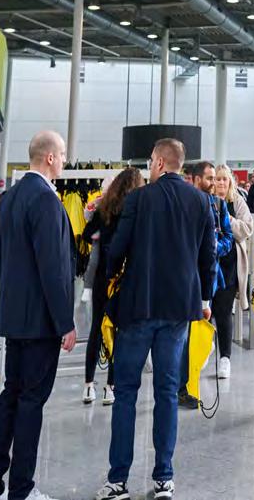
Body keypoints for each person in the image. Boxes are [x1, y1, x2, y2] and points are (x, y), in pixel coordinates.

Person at [94, 138, 216, 500]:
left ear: (160, 163)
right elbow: (207, 256)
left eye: (150, 160)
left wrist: (110, 280)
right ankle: (164, 477)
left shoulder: (138, 199)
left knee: (126, 393)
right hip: (179, 310)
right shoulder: (201, 201)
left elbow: (117, 250)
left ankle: (118, 481)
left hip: (139, 306)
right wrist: (204, 299)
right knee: (166, 391)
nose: (149, 166)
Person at [0, 134, 75, 500]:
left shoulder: (10, 198)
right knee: (31, 403)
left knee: (11, 396)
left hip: (15, 317)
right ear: (49, 158)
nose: (65, 160)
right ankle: (21, 489)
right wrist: (64, 322)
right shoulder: (46, 201)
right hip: (40, 323)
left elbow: (3, 255)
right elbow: (54, 268)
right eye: (62, 154)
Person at [82, 166, 144, 405]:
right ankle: (110, 386)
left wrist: (99, 236)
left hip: (102, 275)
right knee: (118, 331)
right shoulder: (136, 209)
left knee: (96, 328)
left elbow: (87, 234)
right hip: (123, 276)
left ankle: (88, 385)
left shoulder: (105, 207)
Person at [178, 162, 232, 410]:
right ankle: (182, 385)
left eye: (216, 178)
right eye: (210, 178)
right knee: (183, 335)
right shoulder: (184, 203)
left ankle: (190, 381)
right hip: (186, 278)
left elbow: (228, 237)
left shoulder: (219, 205)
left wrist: (213, 247)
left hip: (213, 276)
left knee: (208, 327)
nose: (214, 183)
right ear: (196, 179)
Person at [213, 164, 253, 380]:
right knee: (204, 311)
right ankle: (204, 350)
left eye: (224, 179)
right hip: (207, 264)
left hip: (229, 266)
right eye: (217, 179)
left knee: (224, 311)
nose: (221, 182)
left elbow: (247, 228)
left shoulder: (236, 201)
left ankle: (225, 358)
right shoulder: (205, 200)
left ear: (230, 182)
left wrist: (227, 219)